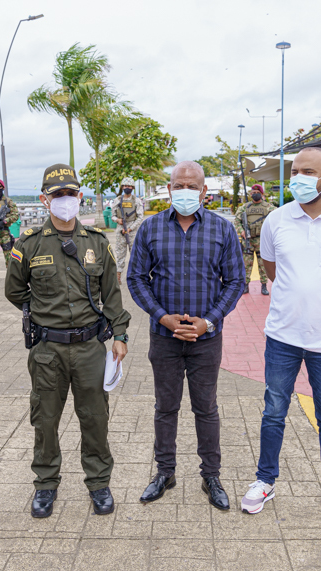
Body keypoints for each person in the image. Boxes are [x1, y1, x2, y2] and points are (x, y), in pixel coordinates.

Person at [239, 148, 321, 522]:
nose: (297, 177)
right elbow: (272, 268)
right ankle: (265, 480)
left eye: (307, 171)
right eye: (294, 170)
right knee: (273, 412)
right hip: (282, 336)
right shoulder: (276, 221)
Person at [5, 163, 131, 519]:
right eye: (57, 195)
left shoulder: (96, 242)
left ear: (80, 197)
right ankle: (46, 485)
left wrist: (119, 334)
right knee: (45, 419)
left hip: (91, 347)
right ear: (46, 200)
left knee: (95, 417)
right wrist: (41, 311)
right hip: (48, 350)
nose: (65, 200)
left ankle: (99, 482)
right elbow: (14, 290)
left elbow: (112, 293)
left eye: (70, 194)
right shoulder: (28, 244)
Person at [127, 161, 244, 510]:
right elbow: (136, 278)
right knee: (165, 407)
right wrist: (163, 318)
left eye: (192, 186)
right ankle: (165, 472)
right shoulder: (149, 229)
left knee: (206, 408)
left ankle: (211, 474)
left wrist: (209, 321)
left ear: (204, 191)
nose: (185, 191)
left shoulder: (223, 230)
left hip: (206, 339)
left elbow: (236, 281)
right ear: (169, 189)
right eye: (179, 185)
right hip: (164, 338)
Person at [233, 184, 276, 296]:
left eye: (257, 192)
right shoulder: (244, 208)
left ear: (261, 194)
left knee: (263, 265)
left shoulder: (269, 207)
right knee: (246, 265)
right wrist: (241, 231)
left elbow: (276, 220)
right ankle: (245, 285)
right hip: (248, 240)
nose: (254, 194)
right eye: (252, 193)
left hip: (263, 241)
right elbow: (237, 221)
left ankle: (264, 286)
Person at [110, 176, 145, 285]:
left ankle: (136, 277)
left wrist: (130, 228)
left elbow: (140, 217)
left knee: (135, 254)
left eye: (129, 186)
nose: (127, 188)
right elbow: (112, 216)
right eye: (125, 186)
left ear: (133, 187)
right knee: (120, 254)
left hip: (132, 231)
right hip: (121, 230)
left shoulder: (136, 201)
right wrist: (118, 220)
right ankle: (118, 277)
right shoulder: (117, 200)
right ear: (122, 187)